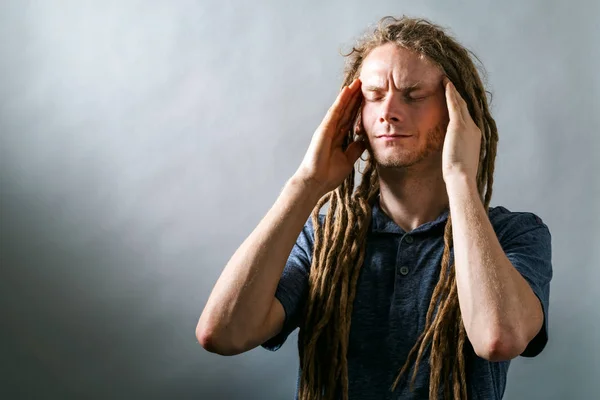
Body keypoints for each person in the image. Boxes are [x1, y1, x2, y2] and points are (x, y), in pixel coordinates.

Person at [196, 16, 553, 400]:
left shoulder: (513, 235)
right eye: (373, 95)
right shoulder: (324, 239)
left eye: (413, 94)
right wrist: (306, 183)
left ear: (458, 114)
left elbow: (498, 338)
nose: (388, 111)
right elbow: (222, 333)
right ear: (355, 115)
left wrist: (461, 178)